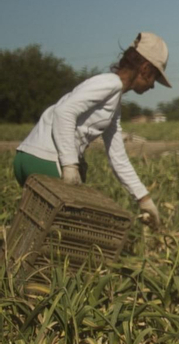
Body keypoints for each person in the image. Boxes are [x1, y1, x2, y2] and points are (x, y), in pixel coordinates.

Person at [14, 33, 170, 227]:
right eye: (155, 77)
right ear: (145, 70)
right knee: (70, 232)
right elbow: (64, 112)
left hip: (27, 157)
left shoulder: (113, 101)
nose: (153, 85)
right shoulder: (109, 83)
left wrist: (143, 199)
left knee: (35, 229)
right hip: (46, 160)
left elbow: (117, 157)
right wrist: (70, 165)